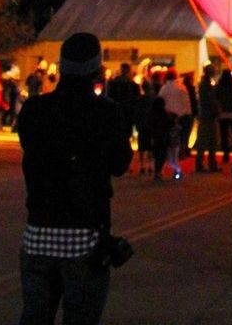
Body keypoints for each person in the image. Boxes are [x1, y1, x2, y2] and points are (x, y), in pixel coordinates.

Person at [17, 31, 132, 323]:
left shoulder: (33, 110)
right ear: (96, 69)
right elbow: (120, 164)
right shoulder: (107, 113)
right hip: (84, 234)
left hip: (39, 232)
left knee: (34, 317)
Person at [160, 69, 190, 181]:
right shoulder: (181, 88)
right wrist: (187, 114)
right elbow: (186, 104)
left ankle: (169, 167)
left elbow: (160, 102)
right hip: (178, 119)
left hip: (167, 119)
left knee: (167, 145)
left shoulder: (164, 89)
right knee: (176, 144)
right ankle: (176, 168)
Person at [195, 64, 220, 173]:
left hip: (207, 115)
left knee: (208, 140)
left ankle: (208, 163)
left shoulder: (206, 83)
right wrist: (215, 108)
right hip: (207, 116)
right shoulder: (206, 85)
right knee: (207, 140)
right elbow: (208, 100)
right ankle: (203, 163)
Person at [106, 64, 140, 143]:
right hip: (128, 113)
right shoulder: (133, 85)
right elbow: (136, 100)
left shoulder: (113, 83)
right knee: (126, 134)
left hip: (116, 112)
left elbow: (109, 97)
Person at [216, 68, 232, 166]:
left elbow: (216, 98)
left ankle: (226, 154)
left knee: (224, 135)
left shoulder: (219, 87)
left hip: (223, 113)